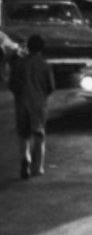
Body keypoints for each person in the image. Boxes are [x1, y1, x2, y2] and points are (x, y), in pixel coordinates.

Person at [10, 34, 55, 178]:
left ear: (28, 47)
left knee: (23, 135)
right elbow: (51, 87)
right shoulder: (45, 65)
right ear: (42, 48)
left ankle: (25, 159)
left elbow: (12, 84)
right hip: (39, 103)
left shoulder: (18, 64)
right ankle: (38, 167)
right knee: (39, 134)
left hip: (21, 102)